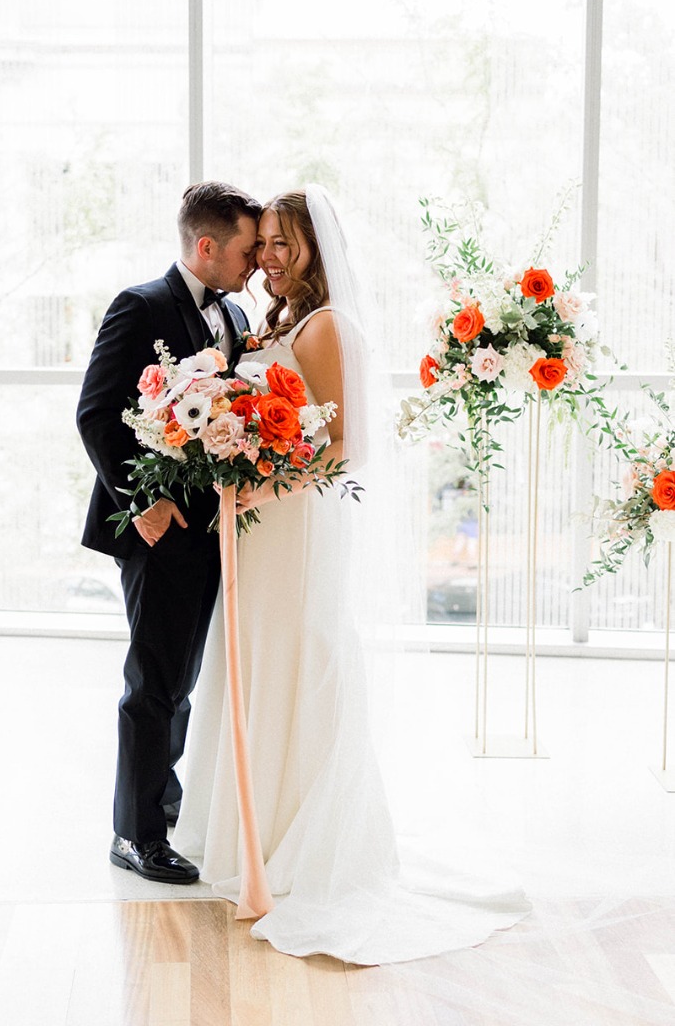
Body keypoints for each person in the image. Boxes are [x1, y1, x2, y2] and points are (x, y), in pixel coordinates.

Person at [173, 185, 530, 962]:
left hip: (298, 525)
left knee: (305, 660)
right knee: (260, 662)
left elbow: (346, 451)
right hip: (263, 524)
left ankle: (308, 841)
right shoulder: (280, 321)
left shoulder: (329, 325)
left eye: (281, 243)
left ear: (313, 248)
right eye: (261, 242)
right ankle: (258, 832)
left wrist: (259, 484)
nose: (267, 256)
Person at [77, 181, 261, 884]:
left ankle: (163, 792)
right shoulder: (140, 305)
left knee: (182, 678)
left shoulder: (235, 313)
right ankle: (135, 834)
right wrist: (141, 501)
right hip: (155, 528)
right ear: (206, 246)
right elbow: (97, 415)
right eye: (246, 250)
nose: (252, 265)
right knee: (153, 684)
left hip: (211, 526)